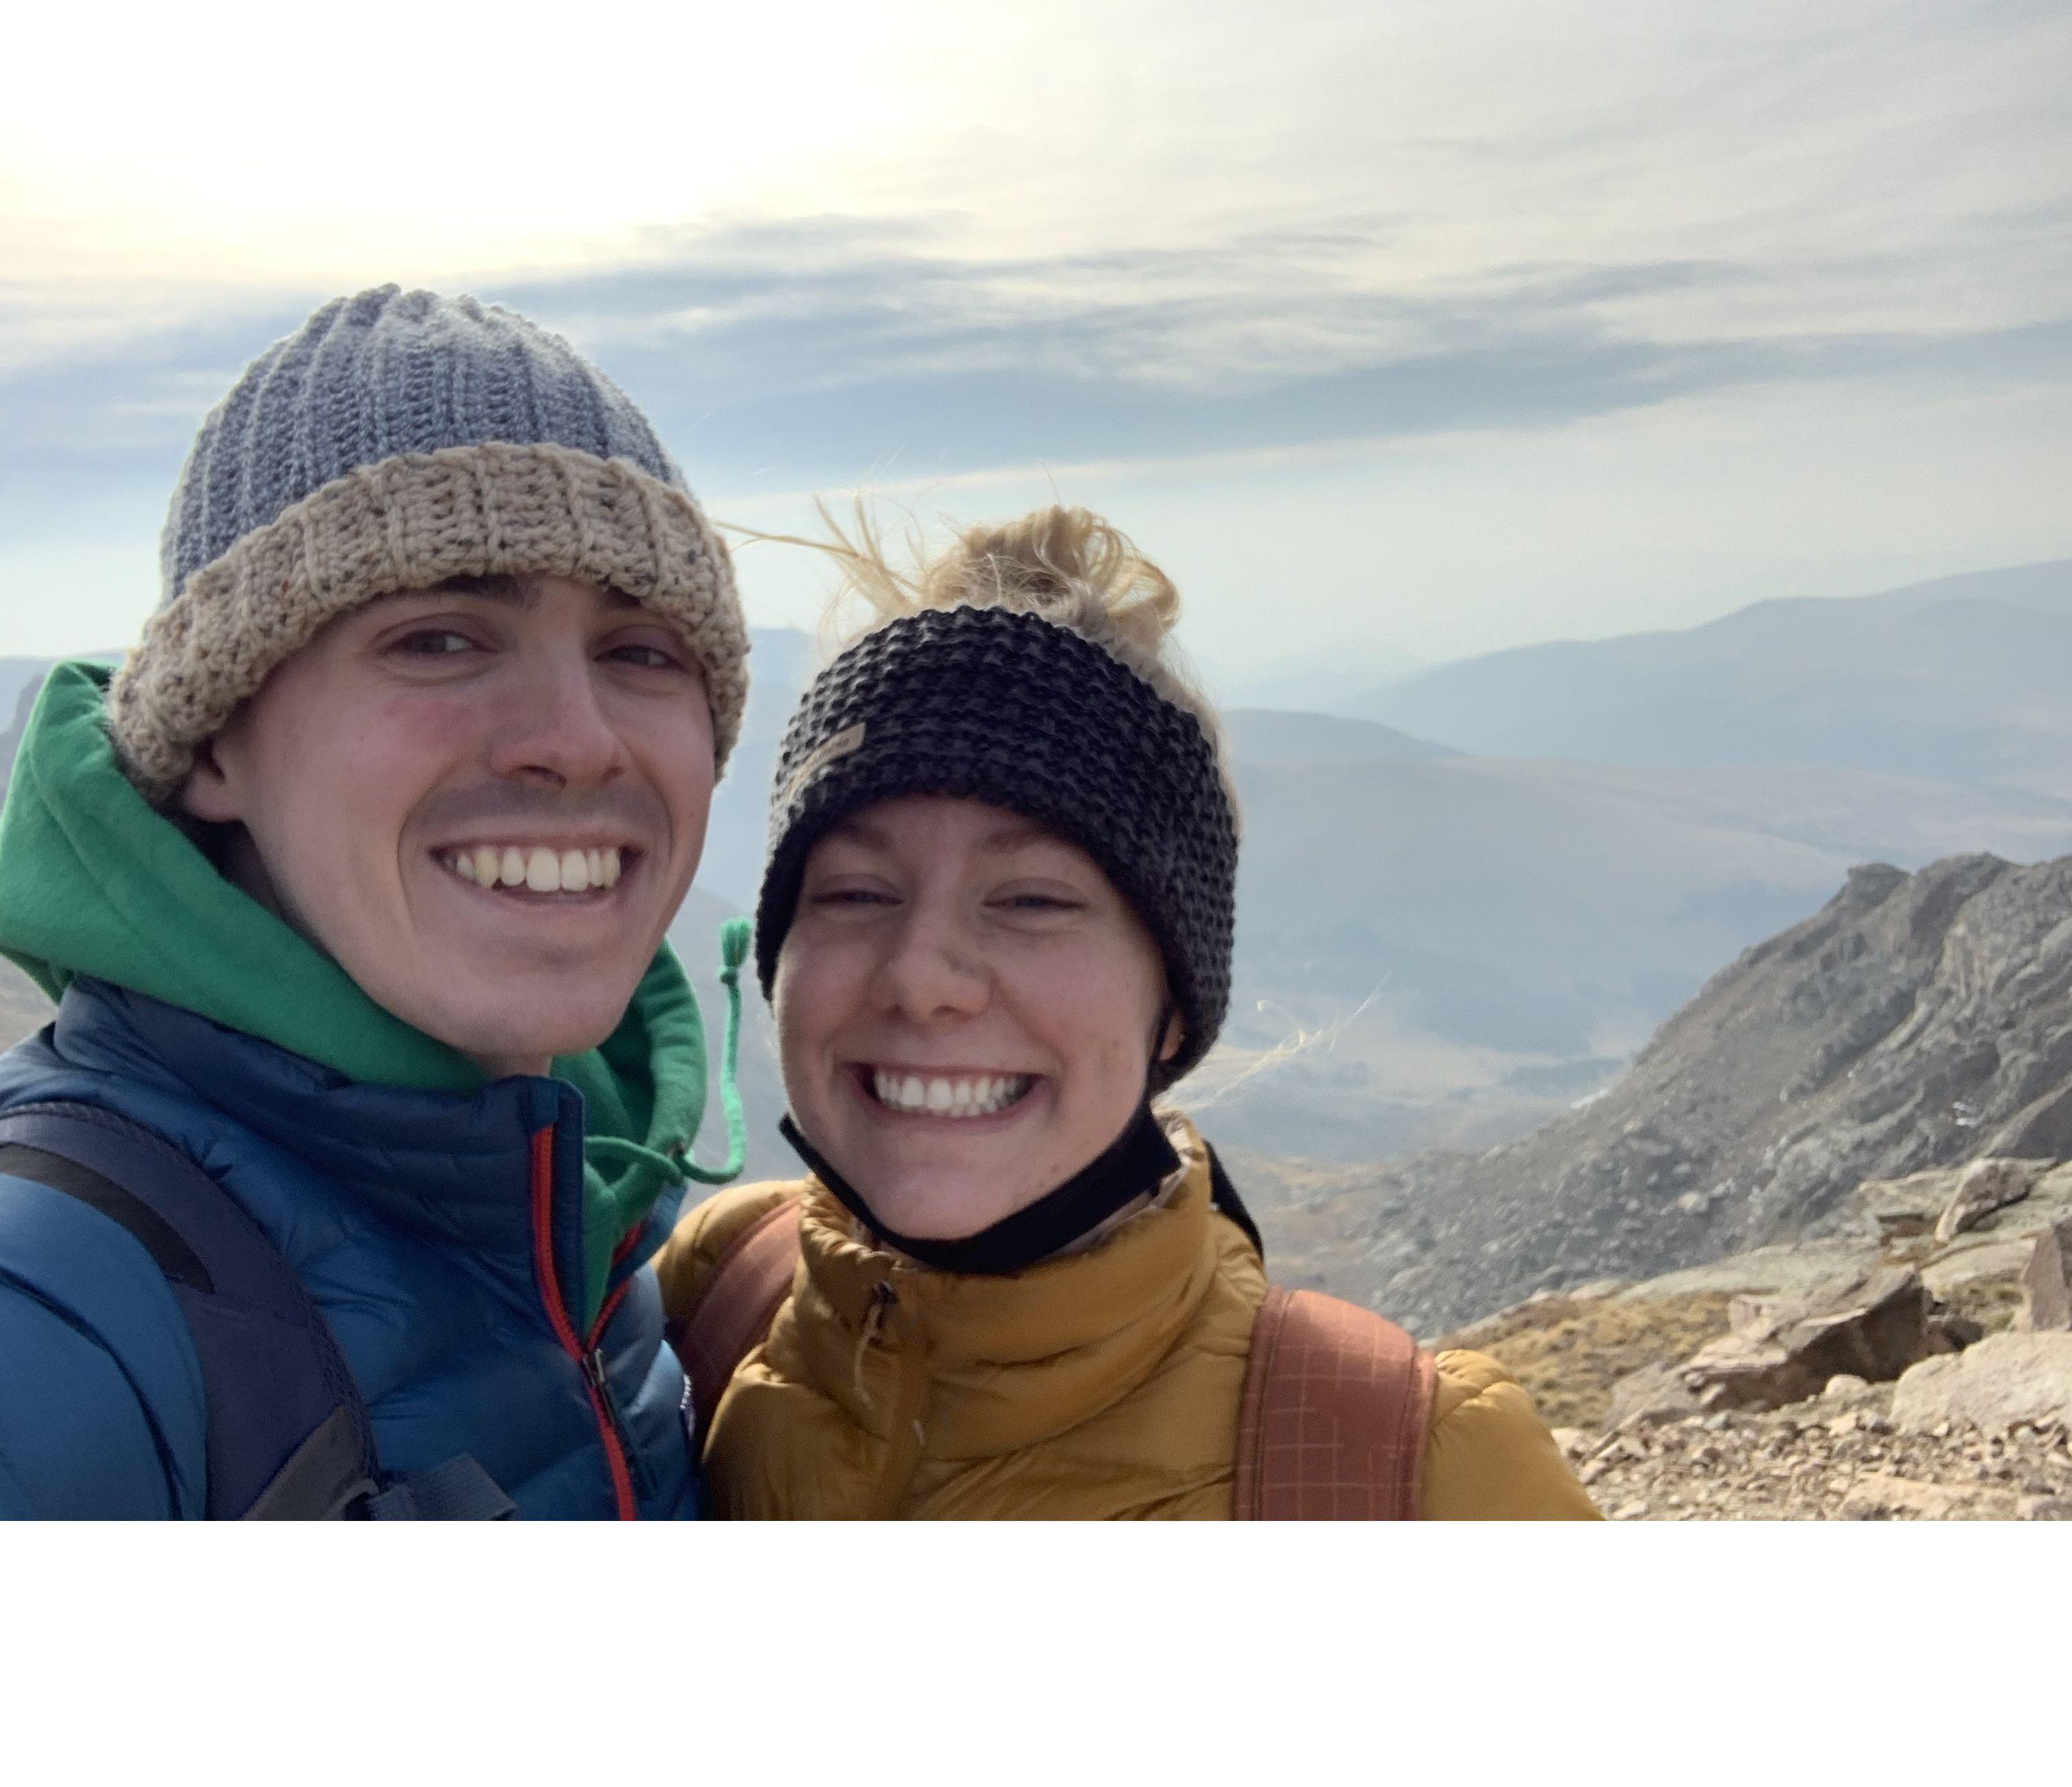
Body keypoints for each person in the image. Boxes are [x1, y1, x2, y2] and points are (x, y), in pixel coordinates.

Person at [0, 285, 750, 1519]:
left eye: (642, 652)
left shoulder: (586, 1228)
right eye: (439, 637)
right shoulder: (30, 1321)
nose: (579, 742)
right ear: (215, 746)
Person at [658, 506, 1599, 1519]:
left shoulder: (1417, 1472)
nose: (921, 979)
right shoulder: (715, 1291)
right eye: (854, 892)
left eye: (1031, 901)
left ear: (1173, 1011)